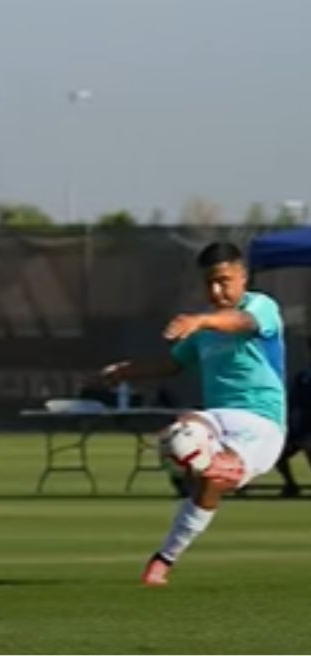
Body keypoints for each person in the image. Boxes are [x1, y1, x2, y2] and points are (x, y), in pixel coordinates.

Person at [98, 242, 286, 586]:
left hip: (261, 424)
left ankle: (164, 558)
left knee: (212, 479)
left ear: (243, 277)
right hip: (218, 415)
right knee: (181, 433)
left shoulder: (261, 307)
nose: (216, 290)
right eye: (209, 283)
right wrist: (128, 371)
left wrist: (201, 320)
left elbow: (242, 322)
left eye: (224, 281)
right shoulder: (203, 331)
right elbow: (172, 364)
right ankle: (190, 480)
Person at [273, 337, 311, 496]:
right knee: (275, 453)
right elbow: (292, 402)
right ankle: (291, 486)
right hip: (300, 429)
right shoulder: (303, 376)